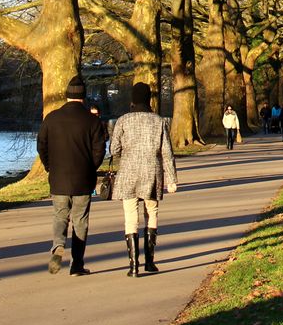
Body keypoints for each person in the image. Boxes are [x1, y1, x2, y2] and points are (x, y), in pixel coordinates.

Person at [37, 75, 107, 276]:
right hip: (83, 178)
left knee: (60, 215)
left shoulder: (51, 118)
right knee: (80, 220)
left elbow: (41, 145)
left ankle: (58, 244)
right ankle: (77, 264)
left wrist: (50, 166)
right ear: (83, 97)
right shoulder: (92, 121)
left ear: (67, 95)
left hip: (58, 177)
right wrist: (91, 167)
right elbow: (99, 150)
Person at [109, 82, 178, 277]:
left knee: (130, 217)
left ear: (132, 100)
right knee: (151, 213)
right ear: (149, 100)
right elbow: (167, 153)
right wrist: (172, 179)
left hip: (128, 173)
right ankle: (150, 261)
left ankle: (133, 265)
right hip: (151, 172)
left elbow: (114, 149)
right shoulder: (159, 122)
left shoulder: (123, 121)